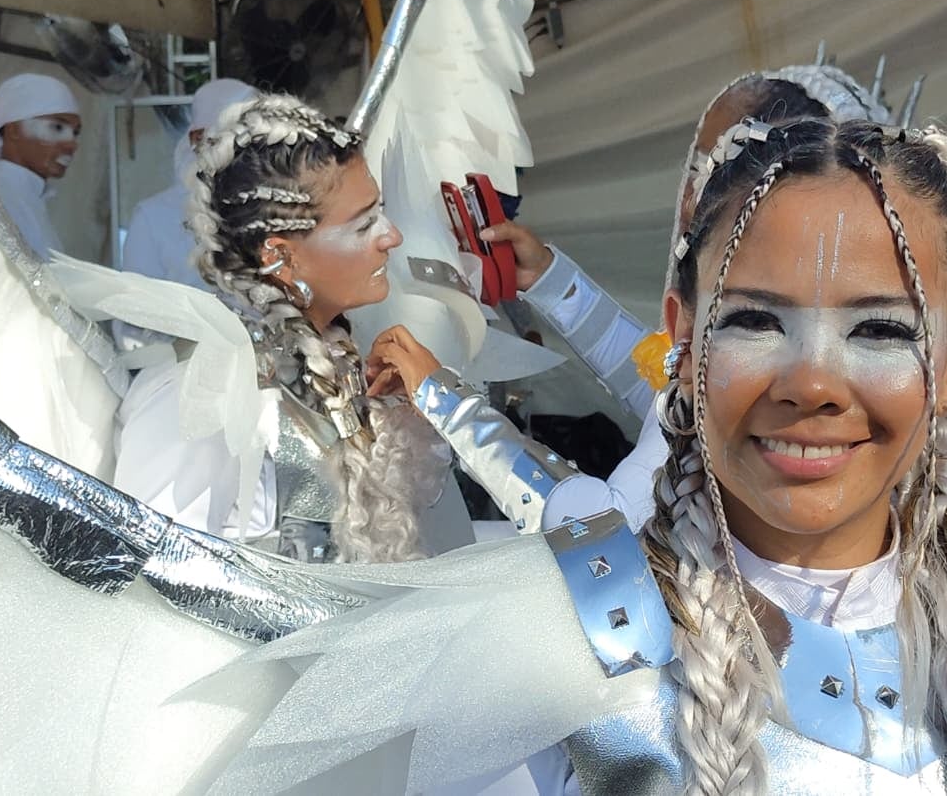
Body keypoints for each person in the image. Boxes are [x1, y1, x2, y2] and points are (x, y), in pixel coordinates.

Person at [0, 116, 947, 794]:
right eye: (755, 319)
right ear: (686, 336)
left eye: (878, 329)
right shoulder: (558, 648)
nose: (812, 380)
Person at [68, 94, 580, 560]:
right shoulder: (202, 390)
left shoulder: (353, 365)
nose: (392, 235)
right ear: (281, 256)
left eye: (380, 212)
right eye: (363, 224)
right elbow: (153, 575)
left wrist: (425, 414)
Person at [479, 65, 892, 531]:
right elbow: (661, 386)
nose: (695, 191)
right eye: (695, 166)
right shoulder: (794, 320)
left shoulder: (760, 343)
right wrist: (548, 279)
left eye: (721, 166)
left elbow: (602, 530)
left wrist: (443, 401)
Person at [122, 78, 256, 288]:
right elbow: (135, 311)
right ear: (195, 139)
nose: (234, 151)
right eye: (219, 138)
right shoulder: (152, 218)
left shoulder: (279, 211)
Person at [0, 73, 82, 259]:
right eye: (57, 127)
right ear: (13, 130)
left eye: (75, 132)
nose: (71, 143)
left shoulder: (27, 196)